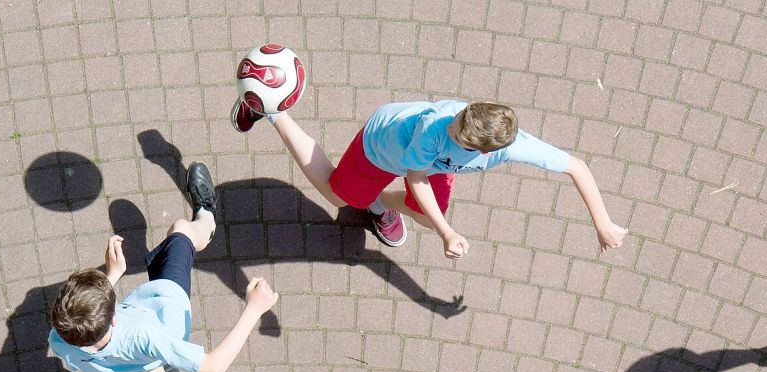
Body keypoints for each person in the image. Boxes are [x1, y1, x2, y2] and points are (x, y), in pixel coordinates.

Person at [231, 98, 628, 258]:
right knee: (339, 196)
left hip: (433, 168)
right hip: (380, 147)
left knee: (422, 214)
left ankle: (377, 204)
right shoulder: (432, 128)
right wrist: (447, 233)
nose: (450, 129)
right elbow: (416, 178)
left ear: (486, 151)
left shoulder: (513, 145)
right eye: (456, 123)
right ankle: (271, 109)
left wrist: (603, 222)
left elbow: (577, 167)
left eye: (458, 135)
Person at [48, 163, 279, 372]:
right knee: (181, 230)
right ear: (113, 319)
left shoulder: (61, 338)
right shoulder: (145, 336)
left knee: (145, 364)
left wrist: (112, 275)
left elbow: (106, 336)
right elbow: (214, 367)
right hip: (166, 307)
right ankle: (206, 216)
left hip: (127, 359)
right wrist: (254, 308)